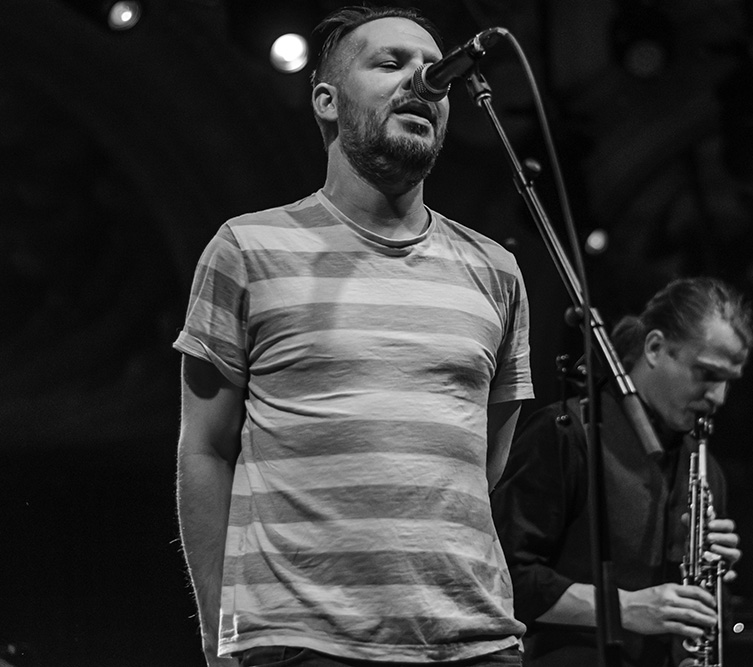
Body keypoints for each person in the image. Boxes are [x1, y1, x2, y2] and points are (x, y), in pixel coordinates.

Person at [173, 6, 533, 667]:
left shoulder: (495, 270)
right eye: (391, 64)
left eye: (436, 71)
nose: (422, 81)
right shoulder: (246, 248)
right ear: (327, 101)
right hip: (304, 641)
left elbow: (484, 460)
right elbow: (205, 449)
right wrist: (219, 635)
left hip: (473, 641)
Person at [491, 277, 753, 666]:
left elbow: (700, 623)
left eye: (728, 382)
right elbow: (503, 577)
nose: (718, 397)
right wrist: (625, 608)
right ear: (655, 348)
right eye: (707, 374)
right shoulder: (566, 433)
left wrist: (716, 582)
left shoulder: (706, 470)